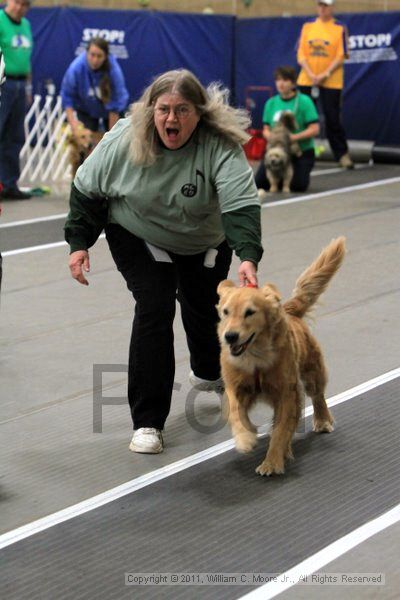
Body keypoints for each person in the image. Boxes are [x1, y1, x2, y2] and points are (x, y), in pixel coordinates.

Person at [64, 69, 263, 455]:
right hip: (136, 230)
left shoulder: (219, 144)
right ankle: (148, 421)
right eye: (164, 109)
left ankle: (208, 370)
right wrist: (79, 243)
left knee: (204, 307)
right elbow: (87, 190)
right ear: (151, 111)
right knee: (154, 305)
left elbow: (240, 205)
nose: (172, 119)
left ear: (199, 114)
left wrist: (247, 255)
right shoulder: (124, 138)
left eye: (183, 110)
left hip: (203, 237)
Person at [296, 0, 353, 169]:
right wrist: (311, 73)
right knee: (303, 118)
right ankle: (300, 153)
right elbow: (300, 54)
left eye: (326, 5)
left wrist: (324, 74)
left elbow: (342, 55)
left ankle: (342, 155)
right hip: (307, 79)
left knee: (332, 119)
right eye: (320, 5)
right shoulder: (308, 27)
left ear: (332, 7)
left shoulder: (339, 28)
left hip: (331, 82)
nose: (322, 8)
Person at [255, 65, 319, 193]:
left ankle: (289, 175)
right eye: (278, 80)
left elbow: (314, 129)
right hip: (277, 150)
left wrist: (292, 138)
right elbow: (266, 129)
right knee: (260, 183)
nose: (281, 83)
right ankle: (278, 179)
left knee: (298, 186)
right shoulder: (271, 103)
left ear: (293, 82)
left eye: (285, 80)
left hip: (300, 150)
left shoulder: (304, 101)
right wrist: (272, 137)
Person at [61, 37, 129, 139]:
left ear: (106, 56)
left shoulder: (114, 71)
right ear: (86, 53)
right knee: (86, 142)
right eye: (92, 55)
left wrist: (111, 138)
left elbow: (115, 106)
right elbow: (67, 97)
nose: (95, 60)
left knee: (115, 141)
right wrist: (74, 127)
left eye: (99, 56)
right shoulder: (76, 69)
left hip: (111, 113)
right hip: (86, 109)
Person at [0, 0, 33, 200]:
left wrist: (28, 87)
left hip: (20, 85)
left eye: (25, 4)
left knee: (15, 137)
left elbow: (26, 60)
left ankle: (9, 184)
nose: (20, 7)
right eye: (17, 2)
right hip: (4, 83)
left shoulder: (26, 25)